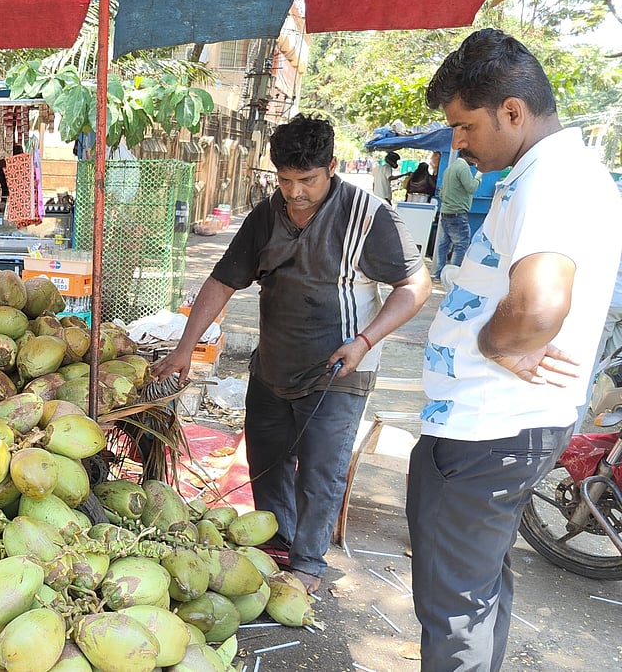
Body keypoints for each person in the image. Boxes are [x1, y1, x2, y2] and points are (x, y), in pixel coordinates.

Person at [410, 29, 622, 671]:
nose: (458, 142)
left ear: (511, 110)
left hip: (490, 430)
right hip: (493, 427)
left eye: (465, 125)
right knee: (472, 592)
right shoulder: (541, 174)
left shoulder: (554, 181)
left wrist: (491, 342)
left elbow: (537, 305)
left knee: (455, 609)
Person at [151, 114, 431, 594]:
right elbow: (222, 281)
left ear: (332, 167)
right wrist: (184, 348)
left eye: (307, 180)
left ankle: (308, 566)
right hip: (274, 364)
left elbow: (415, 285)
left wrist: (365, 341)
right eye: (285, 180)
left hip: (340, 367)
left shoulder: (369, 216)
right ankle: (276, 544)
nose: (295, 192)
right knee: (266, 460)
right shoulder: (266, 216)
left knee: (320, 470)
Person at [432, 152, 481, 280]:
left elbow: (442, 192)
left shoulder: (450, 168)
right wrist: (479, 176)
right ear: (467, 156)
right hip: (457, 213)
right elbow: (471, 188)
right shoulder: (463, 167)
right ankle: (452, 277)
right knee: (461, 245)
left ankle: (438, 274)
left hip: (446, 212)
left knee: (443, 245)